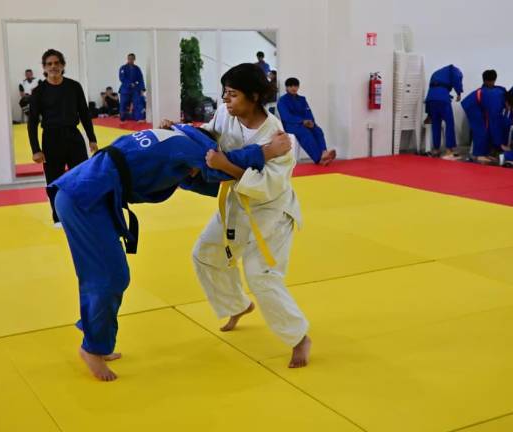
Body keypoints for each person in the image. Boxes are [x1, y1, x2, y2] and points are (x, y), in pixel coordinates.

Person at [51, 124, 292, 381]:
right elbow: (221, 163)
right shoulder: (190, 148)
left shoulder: (173, 139)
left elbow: (191, 180)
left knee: (105, 275)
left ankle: (98, 340)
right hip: (85, 200)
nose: (193, 171)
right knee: (109, 277)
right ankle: (92, 348)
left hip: (85, 194)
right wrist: (267, 151)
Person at [163, 63, 312, 368]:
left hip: (272, 212)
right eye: (225, 94)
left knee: (261, 276)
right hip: (236, 205)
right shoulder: (225, 115)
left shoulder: (279, 138)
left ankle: (299, 337)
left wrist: (225, 166)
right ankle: (237, 305)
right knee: (205, 253)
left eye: (232, 94)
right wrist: (179, 132)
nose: (226, 100)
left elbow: (267, 185)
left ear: (254, 96)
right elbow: (209, 137)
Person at [28, 49, 97, 226]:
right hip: (51, 139)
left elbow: (84, 114)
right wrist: (36, 149)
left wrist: (92, 139)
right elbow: (33, 121)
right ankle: (58, 216)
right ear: (44, 67)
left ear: (63, 65)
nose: (53, 67)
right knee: (54, 180)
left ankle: (82, 211)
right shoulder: (39, 91)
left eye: (57, 63)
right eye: (49, 64)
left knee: (81, 177)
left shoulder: (74, 87)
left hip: (73, 136)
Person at [277, 77, 336, 165]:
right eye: (291, 86)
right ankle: (318, 159)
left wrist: (311, 122)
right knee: (305, 133)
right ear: (286, 88)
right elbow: (286, 117)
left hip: (305, 123)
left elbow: (308, 112)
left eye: (296, 86)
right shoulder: (282, 101)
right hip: (291, 125)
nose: (294, 88)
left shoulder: (302, 99)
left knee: (317, 130)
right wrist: (302, 121)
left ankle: (324, 153)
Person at [462, 69, 508, 163]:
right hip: (475, 109)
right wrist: (499, 142)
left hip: (477, 108)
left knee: (492, 124)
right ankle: (479, 155)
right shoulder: (493, 92)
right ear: (488, 81)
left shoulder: (496, 90)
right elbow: (493, 114)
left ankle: (486, 152)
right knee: (483, 128)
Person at [424, 64, 463, 159]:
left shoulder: (436, 73)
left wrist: (428, 114)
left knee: (436, 124)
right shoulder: (455, 70)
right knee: (449, 123)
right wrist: (459, 92)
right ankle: (449, 150)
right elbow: (457, 79)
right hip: (442, 98)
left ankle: (436, 150)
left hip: (431, 98)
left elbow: (430, 90)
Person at [118, 53, 146, 121]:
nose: (130, 60)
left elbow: (140, 79)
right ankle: (122, 118)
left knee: (137, 103)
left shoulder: (137, 68)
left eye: (132, 59)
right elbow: (122, 78)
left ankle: (138, 118)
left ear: (134, 59)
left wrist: (142, 89)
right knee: (123, 104)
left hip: (135, 89)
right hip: (125, 89)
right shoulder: (123, 68)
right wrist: (130, 84)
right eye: (129, 59)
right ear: (127, 59)